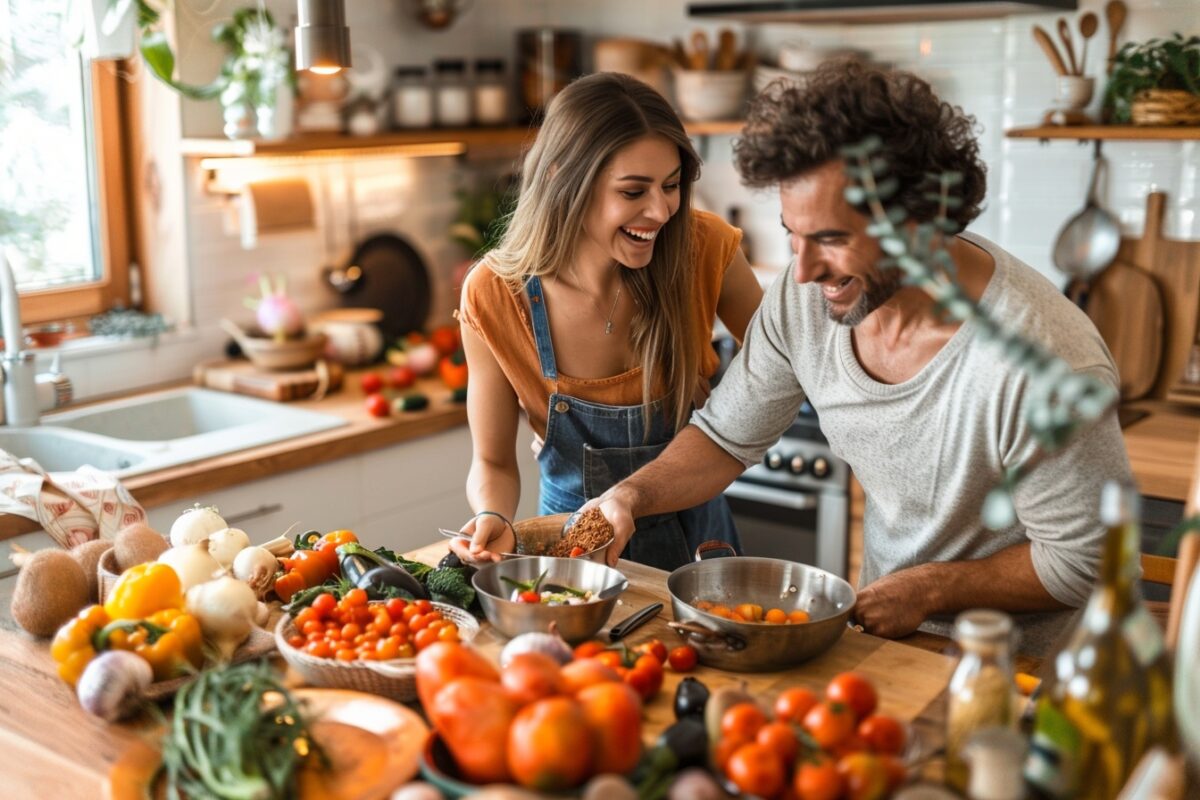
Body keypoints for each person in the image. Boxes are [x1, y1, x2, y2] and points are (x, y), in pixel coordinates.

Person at [588, 60, 1132, 655]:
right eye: (794, 234)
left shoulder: (1044, 365)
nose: (803, 270)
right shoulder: (804, 301)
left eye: (831, 239)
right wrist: (629, 498)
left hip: (1030, 682)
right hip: (894, 648)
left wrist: (930, 589)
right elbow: (725, 437)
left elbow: (1086, 560)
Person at [450, 72, 763, 571]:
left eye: (671, 185)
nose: (660, 211)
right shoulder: (494, 295)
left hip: (701, 549)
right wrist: (493, 514)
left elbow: (787, 364)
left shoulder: (702, 249)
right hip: (576, 553)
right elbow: (491, 462)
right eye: (633, 191)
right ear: (562, 179)